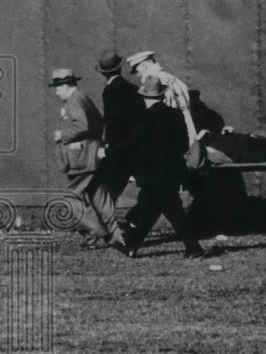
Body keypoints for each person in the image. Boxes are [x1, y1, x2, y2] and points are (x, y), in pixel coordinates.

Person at [120, 76, 206, 259]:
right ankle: (132, 244)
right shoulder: (175, 115)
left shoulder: (142, 117)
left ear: (144, 97)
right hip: (172, 171)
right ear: (161, 95)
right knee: (149, 207)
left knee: (170, 210)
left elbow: (131, 144)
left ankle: (193, 247)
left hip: (150, 173)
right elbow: (184, 144)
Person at [49, 69, 122, 249]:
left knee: (71, 197)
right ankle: (118, 235)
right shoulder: (82, 98)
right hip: (91, 155)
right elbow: (97, 123)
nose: (56, 92)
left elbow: (83, 125)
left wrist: (62, 135)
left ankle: (96, 229)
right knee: (100, 196)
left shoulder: (74, 100)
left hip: (83, 160)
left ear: (65, 86)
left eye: (57, 88)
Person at [95, 49, 145, 209]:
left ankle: (106, 224)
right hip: (134, 145)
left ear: (103, 73)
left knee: (109, 187)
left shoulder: (109, 91)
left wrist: (108, 146)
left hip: (118, 148)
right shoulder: (133, 88)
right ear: (120, 68)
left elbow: (112, 121)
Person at [125, 51, 197, 143]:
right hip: (184, 131)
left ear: (144, 66)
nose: (137, 75)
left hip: (169, 135)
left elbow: (163, 114)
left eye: (137, 71)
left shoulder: (157, 81)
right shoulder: (171, 78)